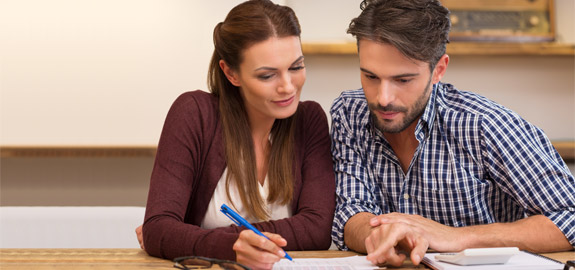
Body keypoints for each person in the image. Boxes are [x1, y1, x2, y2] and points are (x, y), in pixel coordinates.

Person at [330, 0, 575, 267]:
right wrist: (376, 235)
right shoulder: (349, 113)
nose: (383, 98)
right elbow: (351, 212)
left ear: (439, 70)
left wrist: (456, 236)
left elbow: (570, 217)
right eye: (371, 77)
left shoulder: (485, 124)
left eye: (403, 80)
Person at [136, 1, 335, 269]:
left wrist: (199, 239)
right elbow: (159, 229)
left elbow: (317, 230)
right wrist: (231, 247)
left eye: (296, 67)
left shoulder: (309, 120)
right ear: (231, 73)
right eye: (267, 76)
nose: (288, 87)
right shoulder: (194, 114)